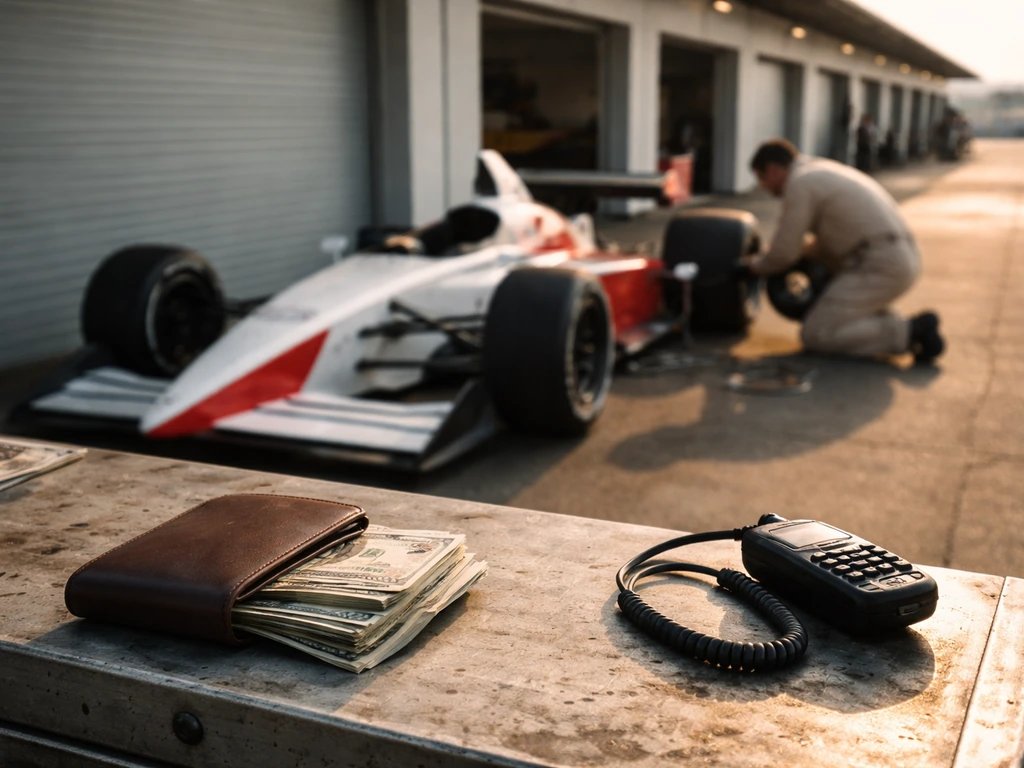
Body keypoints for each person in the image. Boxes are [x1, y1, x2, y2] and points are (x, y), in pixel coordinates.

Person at [747, 138, 944, 363]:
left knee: (816, 333)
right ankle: (906, 327)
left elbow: (785, 251)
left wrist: (754, 267)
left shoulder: (799, 184)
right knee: (845, 312)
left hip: (878, 264)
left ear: (772, 169)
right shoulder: (820, 171)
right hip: (900, 256)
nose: (762, 186)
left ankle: (910, 332)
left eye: (761, 178)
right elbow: (818, 246)